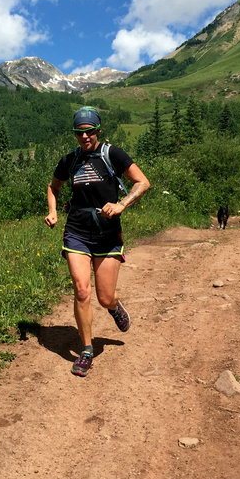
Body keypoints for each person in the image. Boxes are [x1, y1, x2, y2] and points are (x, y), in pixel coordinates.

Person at [45, 106, 150, 377]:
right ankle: (86, 350)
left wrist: (122, 204)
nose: (84, 137)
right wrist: (53, 211)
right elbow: (53, 187)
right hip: (77, 231)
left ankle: (114, 306)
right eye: (79, 133)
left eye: (89, 132)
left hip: (106, 234)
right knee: (81, 290)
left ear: (98, 131)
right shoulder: (69, 160)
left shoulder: (112, 154)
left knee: (104, 297)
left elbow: (142, 182)